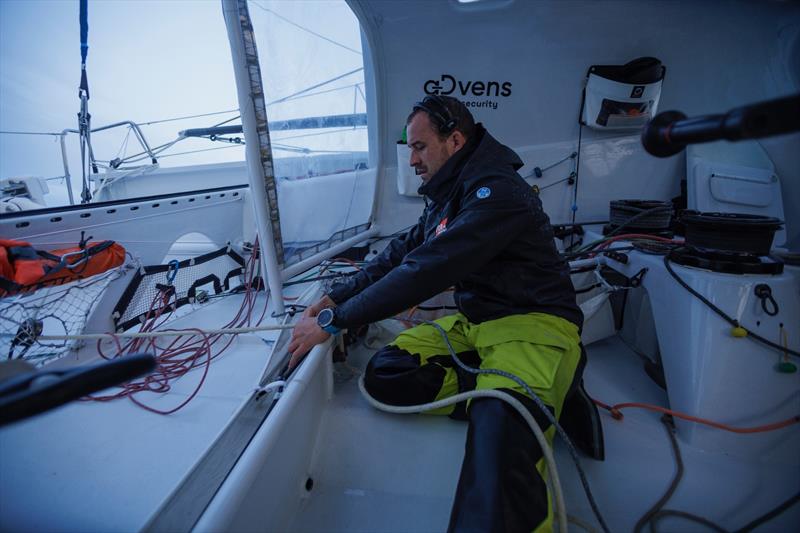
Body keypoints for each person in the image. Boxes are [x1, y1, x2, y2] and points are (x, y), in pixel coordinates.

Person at [288, 95, 597, 533]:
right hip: (478, 325)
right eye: (408, 148)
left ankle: (527, 393)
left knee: (497, 467)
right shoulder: (451, 193)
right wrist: (335, 300)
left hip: (533, 326)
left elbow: (425, 270)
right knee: (386, 375)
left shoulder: (496, 192)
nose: (411, 159)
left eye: (419, 147)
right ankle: (493, 385)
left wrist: (334, 324)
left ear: (454, 140)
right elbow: (400, 253)